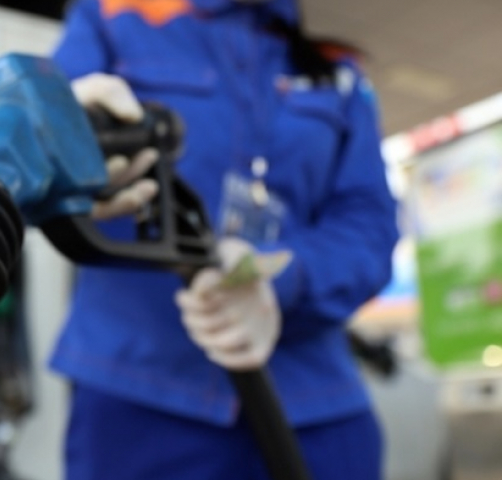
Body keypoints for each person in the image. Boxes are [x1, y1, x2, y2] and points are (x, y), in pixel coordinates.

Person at [47, 0, 400, 479]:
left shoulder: (338, 74)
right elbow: (34, 135)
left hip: (315, 406)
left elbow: (368, 227)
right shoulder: (112, 16)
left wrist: (281, 279)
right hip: (140, 397)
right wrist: (62, 140)